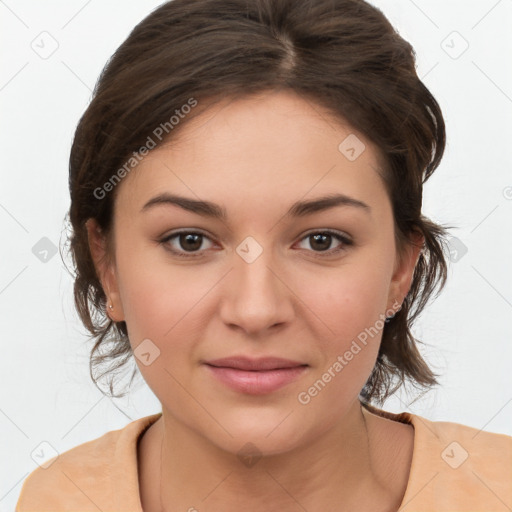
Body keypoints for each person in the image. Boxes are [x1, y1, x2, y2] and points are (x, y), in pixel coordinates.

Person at [16, 0, 512, 510]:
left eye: (322, 240)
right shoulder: (56, 498)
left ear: (400, 269)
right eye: (190, 240)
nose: (256, 311)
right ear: (108, 267)